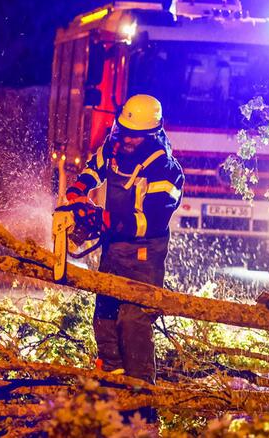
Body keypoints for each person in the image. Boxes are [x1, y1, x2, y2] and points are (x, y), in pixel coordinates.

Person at [64, 94, 185, 385]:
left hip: (144, 258)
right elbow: (96, 165)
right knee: (104, 318)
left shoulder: (165, 171)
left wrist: (106, 220)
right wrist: (79, 189)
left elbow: (151, 220)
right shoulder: (116, 147)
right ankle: (111, 387)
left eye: (135, 137)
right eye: (125, 133)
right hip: (114, 250)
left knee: (133, 324)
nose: (128, 140)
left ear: (153, 134)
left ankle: (141, 399)